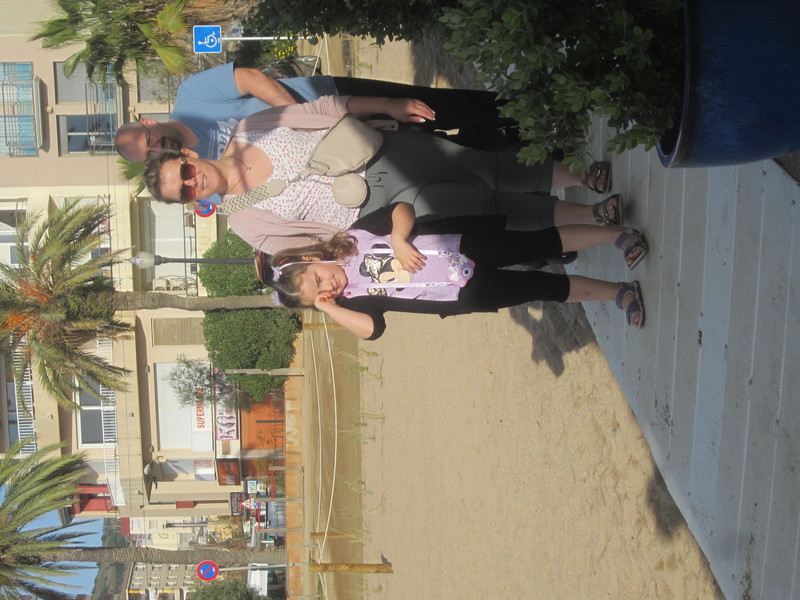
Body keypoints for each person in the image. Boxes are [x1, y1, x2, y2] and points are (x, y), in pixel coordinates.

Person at [142, 95, 619, 257]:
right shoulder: (246, 223)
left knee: (485, 166)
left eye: (184, 171)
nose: (191, 182)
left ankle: (581, 177)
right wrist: (384, 241)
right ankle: (592, 215)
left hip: (385, 150)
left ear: (187, 154)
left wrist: (389, 105)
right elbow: (314, 248)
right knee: (488, 207)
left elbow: (324, 108)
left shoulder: (250, 128)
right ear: (189, 202)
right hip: (380, 211)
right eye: (182, 191)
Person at [268, 202, 647, 339]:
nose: (329, 286)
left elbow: (401, 209)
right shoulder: (352, 300)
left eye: (318, 279)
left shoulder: (355, 237)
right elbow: (373, 330)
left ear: (312, 259)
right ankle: (619, 291)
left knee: (541, 243)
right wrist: (330, 308)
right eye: (320, 295)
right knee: (543, 288)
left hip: (466, 244)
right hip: (462, 294)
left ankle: (618, 235)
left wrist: (398, 238)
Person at [114, 62, 526, 164]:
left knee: (433, 110)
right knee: (438, 153)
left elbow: (250, 78)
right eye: (150, 154)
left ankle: (531, 107)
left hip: (333, 99)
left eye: (149, 140)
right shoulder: (194, 172)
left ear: (148, 122)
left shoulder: (191, 95)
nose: (158, 147)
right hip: (338, 152)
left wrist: (304, 119)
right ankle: (528, 145)